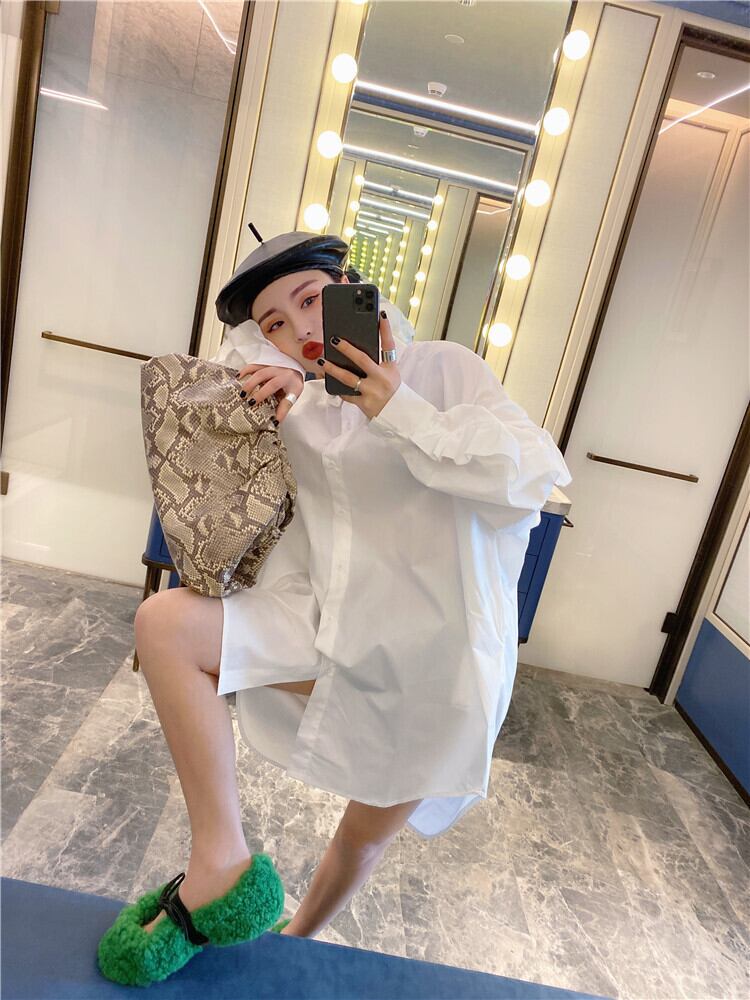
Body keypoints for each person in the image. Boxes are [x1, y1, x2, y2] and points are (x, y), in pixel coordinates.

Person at [133, 229, 572, 942]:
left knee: (364, 837)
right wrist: (274, 402)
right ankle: (221, 865)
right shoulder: (298, 406)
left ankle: (297, 940)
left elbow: (528, 475)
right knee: (164, 626)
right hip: (328, 636)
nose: (300, 329)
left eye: (311, 300)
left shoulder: (444, 369)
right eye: (275, 323)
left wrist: (398, 410)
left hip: (433, 667)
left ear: (350, 289)